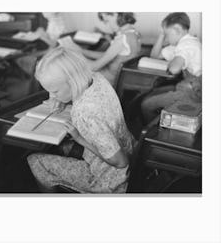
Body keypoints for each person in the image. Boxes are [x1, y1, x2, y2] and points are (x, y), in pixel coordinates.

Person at [27, 46, 135, 193]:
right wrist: (58, 98)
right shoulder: (96, 78)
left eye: (55, 91)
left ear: (72, 82)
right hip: (131, 149)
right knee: (60, 146)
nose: (52, 95)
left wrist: (79, 139)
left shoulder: (84, 114)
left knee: (35, 160)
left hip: (112, 180)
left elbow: (120, 162)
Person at [141, 12, 202, 123]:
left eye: (168, 34)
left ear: (177, 29)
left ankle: (152, 134)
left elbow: (174, 68)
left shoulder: (186, 44)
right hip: (187, 86)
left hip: (193, 92)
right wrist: (162, 34)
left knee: (146, 104)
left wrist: (172, 62)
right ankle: (159, 123)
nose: (167, 39)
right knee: (154, 91)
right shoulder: (182, 43)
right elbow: (154, 56)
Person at [83, 12, 141, 87]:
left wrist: (75, 57)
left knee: (73, 74)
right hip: (114, 77)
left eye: (107, 21)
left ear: (115, 14)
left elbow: (94, 67)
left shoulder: (122, 39)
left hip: (108, 82)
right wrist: (82, 51)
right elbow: (106, 55)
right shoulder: (134, 33)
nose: (108, 25)